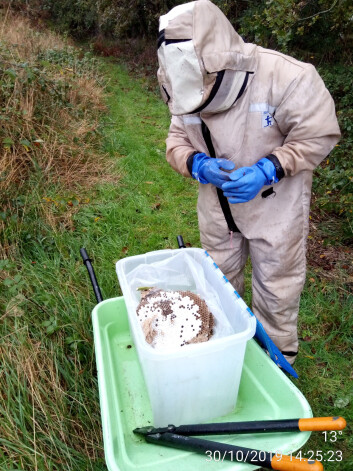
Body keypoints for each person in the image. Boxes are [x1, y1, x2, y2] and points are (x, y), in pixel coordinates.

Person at [157, 0, 340, 365]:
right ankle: (224, 353)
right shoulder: (178, 83)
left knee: (277, 290)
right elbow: (175, 141)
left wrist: (268, 169)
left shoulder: (287, 76)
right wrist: (197, 164)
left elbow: (318, 135)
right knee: (217, 284)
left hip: (276, 206)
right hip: (217, 208)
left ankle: (276, 364)